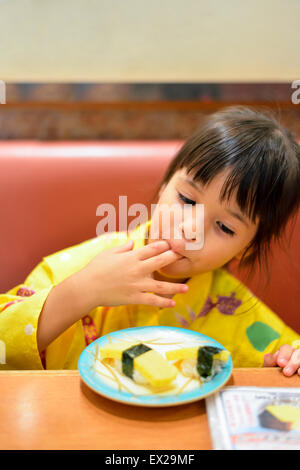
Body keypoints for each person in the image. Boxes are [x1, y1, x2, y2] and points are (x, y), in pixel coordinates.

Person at [1, 105, 300, 374]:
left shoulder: (232, 306)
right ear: (164, 187)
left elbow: (286, 355)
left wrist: (290, 359)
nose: (190, 228)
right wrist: (82, 292)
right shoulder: (85, 265)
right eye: (186, 198)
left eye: (224, 227)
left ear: (246, 251)